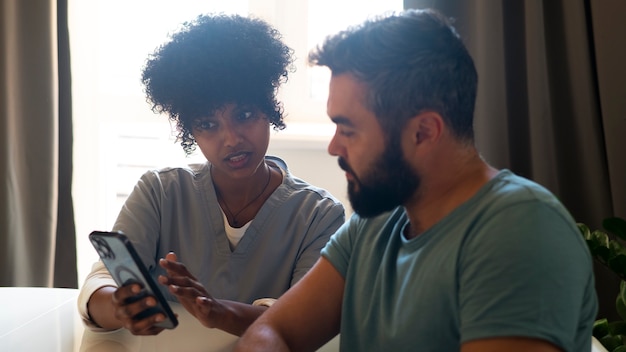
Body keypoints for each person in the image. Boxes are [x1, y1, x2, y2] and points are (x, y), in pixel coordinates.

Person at [235, 8, 598, 352]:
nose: (333, 147)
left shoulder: (520, 230)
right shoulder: (375, 219)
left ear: (423, 132)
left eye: (349, 130)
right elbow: (273, 329)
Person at [77, 14, 345, 337]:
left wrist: (217, 312)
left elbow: (306, 321)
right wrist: (119, 307)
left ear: (269, 108)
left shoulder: (318, 215)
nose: (231, 138)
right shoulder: (160, 193)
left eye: (244, 115)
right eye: (208, 124)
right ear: (190, 131)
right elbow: (99, 284)